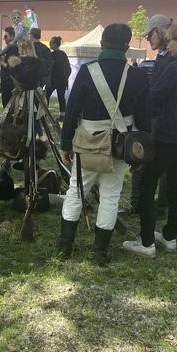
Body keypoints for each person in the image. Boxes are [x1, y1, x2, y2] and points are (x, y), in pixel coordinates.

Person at [58, 23, 150, 266]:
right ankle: (100, 253)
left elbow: (71, 111)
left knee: (76, 192)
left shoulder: (87, 71)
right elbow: (144, 120)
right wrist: (139, 154)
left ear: (102, 44)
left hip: (87, 142)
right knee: (111, 197)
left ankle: (64, 248)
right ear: (127, 46)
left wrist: (66, 142)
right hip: (120, 146)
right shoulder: (138, 76)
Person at [123, 21, 177, 258]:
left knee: (148, 183)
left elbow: (155, 96)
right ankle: (170, 236)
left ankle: (147, 241)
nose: (168, 45)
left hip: (168, 134)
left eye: (171, 41)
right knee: (174, 185)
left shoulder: (176, 67)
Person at [124, 14, 173, 217]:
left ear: (160, 31)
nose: (147, 39)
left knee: (157, 166)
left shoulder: (173, 58)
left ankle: (157, 207)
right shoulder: (163, 56)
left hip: (164, 121)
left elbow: (161, 92)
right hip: (155, 118)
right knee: (141, 159)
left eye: (149, 35)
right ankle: (139, 203)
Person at [46, 36, 71, 121]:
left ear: (55, 44)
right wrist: (66, 78)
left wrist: (48, 79)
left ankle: (44, 113)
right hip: (62, 81)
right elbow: (69, 68)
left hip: (53, 81)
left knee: (46, 95)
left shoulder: (51, 55)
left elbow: (49, 68)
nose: (50, 43)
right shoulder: (63, 54)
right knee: (61, 97)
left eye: (51, 42)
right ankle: (63, 115)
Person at [0, 26, 19, 107]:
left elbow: (11, 67)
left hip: (9, 82)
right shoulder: (10, 48)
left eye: (5, 36)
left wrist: (0, 61)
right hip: (7, 81)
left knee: (8, 104)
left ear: (12, 36)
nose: (4, 39)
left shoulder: (13, 48)